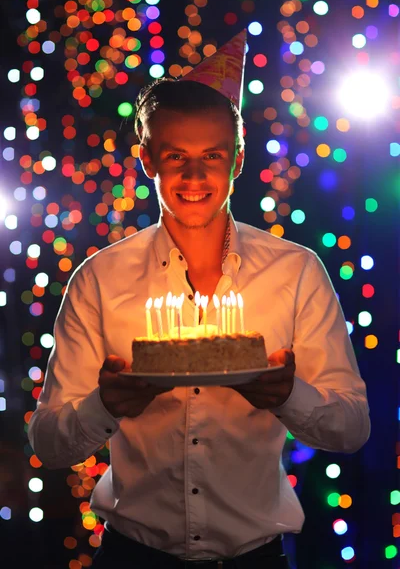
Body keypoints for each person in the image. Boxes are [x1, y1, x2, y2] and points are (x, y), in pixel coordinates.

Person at [28, 30, 370, 569]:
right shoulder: (99, 280)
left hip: (255, 559)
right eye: (175, 156)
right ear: (147, 161)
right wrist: (105, 406)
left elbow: (352, 428)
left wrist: (287, 394)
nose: (193, 175)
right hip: (132, 557)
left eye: (211, 155)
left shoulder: (296, 272)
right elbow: (48, 442)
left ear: (236, 161)